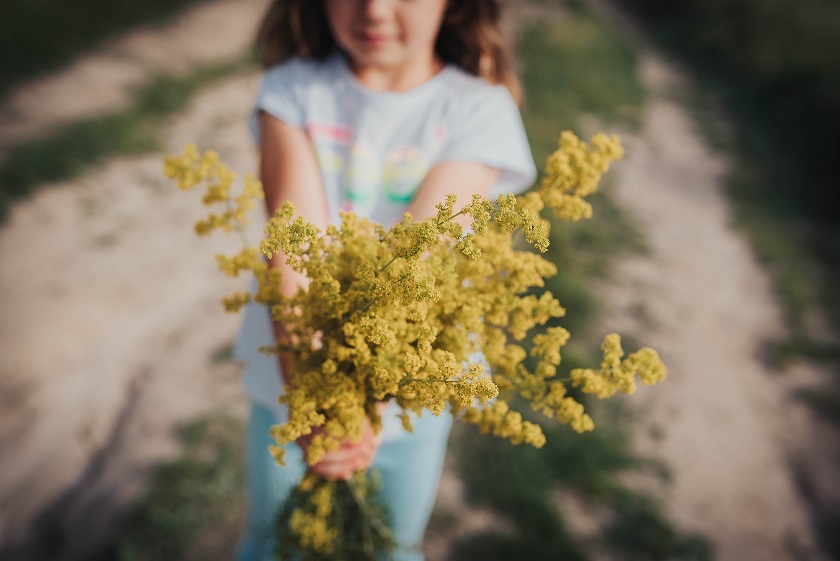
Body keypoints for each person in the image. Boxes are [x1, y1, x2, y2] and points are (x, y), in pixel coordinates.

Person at [234, 1, 536, 559]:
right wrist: (313, 402)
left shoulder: (479, 110)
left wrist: (357, 405)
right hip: (295, 378)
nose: (375, 8)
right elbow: (293, 249)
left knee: (391, 544)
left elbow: (421, 262)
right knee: (271, 538)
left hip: (414, 394)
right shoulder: (291, 92)